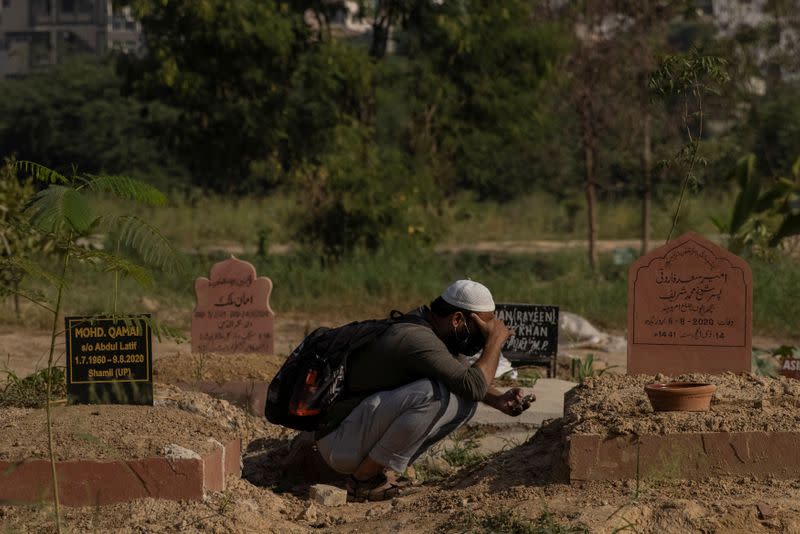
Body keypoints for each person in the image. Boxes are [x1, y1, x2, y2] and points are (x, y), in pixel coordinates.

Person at [312, 279, 534, 501]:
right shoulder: (416, 338)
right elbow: (473, 385)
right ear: (457, 319)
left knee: (464, 402)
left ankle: (382, 470)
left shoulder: (436, 331)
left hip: (354, 433)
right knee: (434, 395)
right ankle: (363, 481)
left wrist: (498, 400)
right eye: (481, 331)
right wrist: (494, 341)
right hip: (339, 441)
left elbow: (466, 380)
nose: (483, 337)